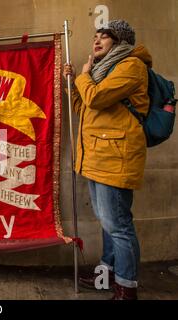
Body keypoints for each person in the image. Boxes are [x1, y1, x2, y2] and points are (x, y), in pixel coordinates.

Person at [63, 20, 151, 300]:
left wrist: (83, 76)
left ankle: (127, 287)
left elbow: (97, 98)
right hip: (98, 157)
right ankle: (106, 275)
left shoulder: (131, 67)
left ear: (121, 41)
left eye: (105, 37)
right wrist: (72, 83)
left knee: (119, 225)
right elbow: (84, 107)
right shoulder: (103, 71)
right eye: (95, 36)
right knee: (106, 222)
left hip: (116, 158)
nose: (97, 41)